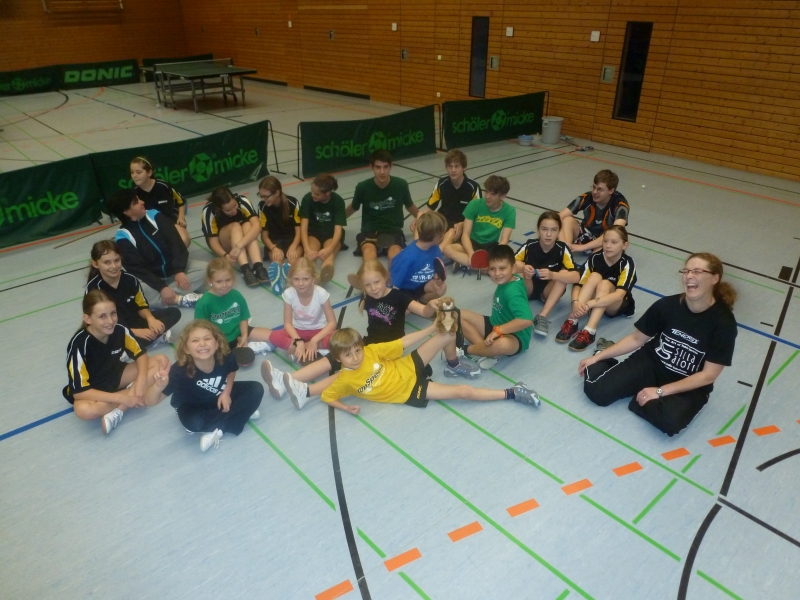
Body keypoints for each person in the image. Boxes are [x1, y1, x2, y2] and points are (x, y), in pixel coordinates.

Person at [261, 260, 473, 399]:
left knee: (348, 371)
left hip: (389, 352)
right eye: (368, 285)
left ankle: (305, 391)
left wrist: (432, 306)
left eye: (377, 282)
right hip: (369, 344)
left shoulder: (399, 296)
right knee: (334, 358)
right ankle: (286, 380)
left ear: (385, 278)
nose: (373, 288)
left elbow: (423, 311)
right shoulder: (368, 296)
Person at [579, 253, 737, 436]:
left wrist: (661, 391)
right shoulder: (667, 305)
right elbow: (637, 339)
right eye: (686, 271)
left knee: (669, 422)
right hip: (652, 363)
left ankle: (641, 396)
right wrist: (598, 357)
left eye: (697, 271)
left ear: (715, 278)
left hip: (689, 381)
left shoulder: (724, 324)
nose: (689, 276)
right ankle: (611, 365)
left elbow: (708, 375)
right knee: (598, 393)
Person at [281, 325, 540, 412]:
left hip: (406, 365)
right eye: (348, 355)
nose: (356, 357)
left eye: (358, 350)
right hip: (410, 390)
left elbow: (403, 343)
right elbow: (328, 396)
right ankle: (512, 392)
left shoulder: (371, 351)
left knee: (448, 333)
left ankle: (453, 364)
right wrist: (346, 408)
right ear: (338, 358)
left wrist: (432, 328)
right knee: (463, 392)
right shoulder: (344, 381)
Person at [147, 320, 264, 452]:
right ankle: (241, 412)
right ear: (186, 349)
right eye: (195, 340)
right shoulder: (179, 370)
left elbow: (231, 372)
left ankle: (219, 428)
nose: (202, 344)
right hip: (192, 406)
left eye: (207, 338)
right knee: (195, 424)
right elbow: (150, 401)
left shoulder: (226, 357)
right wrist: (158, 386)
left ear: (217, 343)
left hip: (219, 395)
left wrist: (226, 392)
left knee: (256, 389)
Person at [63, 290, 169, 435]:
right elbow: (79, 392)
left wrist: (141, 381)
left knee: (161, 361)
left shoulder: (120, 330)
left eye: (113, 313)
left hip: (117, 376)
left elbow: (141, 355)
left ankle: (120, 410)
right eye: (102, 316)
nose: (110, 321)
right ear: (88, 319)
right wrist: (122, 398)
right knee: (84, 411)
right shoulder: (79, 344)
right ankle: (128, 397)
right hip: (93, 389)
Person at [108, 189, 205, 308]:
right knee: (134, 290)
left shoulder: (155, 216)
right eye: (136, 202)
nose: (142, 202)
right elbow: (138, 269)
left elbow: (176, 243)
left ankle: (169, 298)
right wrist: (161, 287)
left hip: (176, 272)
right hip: (152, 281)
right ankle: (179, 298)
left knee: (207, 269)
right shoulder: (123, 237)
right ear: (126, 211)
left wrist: (179, 270)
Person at [85, 239, 181, 348]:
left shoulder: (130, 280)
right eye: (107, 262)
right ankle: (147, 338)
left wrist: (151, 319)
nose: (114, 266)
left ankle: (146, 339)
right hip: (113, 329)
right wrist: (134, 332)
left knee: (174, 313)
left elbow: (141, 305)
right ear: (95, 264)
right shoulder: (94, 288)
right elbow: (100, 323)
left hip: (135, 321)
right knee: (108, 340)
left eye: (117, 260)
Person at [556, 225, 637, 351]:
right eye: (605, 241)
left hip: (615, 305)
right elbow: (578, 284)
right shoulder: (595, 258)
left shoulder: (627, 263)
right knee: (594, 276)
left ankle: (590, 331)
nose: (608, 246)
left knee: (604, 284)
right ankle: (573, 320)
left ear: (624, 245)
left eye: (614, 242)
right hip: (595, 300)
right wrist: (575, 302)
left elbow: (619, 295)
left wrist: (590, 304)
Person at [456, 244, 534, 369]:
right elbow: (527, 292)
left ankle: (465, 349)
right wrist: (528, 277)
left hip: (515, 335)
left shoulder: (512, 292)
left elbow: (527, 320)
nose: (497, 273)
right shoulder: (515, 278)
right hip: (495, 323)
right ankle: (487, 351)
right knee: (456, 315)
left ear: (513, 268)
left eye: (502, 268)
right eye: (492, 269)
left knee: (502, 345)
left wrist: (499, 331)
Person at [193, 259, 274, 364]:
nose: (224, 285)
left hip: (237, 330)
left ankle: (244, 343)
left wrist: (244, 335)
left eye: (228, 280)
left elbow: (243, 318)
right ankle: (249, 347)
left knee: (273, 336)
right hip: (219, 338)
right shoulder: (203, 303)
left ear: (233, 278)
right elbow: (200, 329)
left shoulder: (236, 295)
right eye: (219, 282)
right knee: (220, 360)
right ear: (210, 281)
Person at [346, 149, 419, 267]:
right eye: (378, 167)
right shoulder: (362, 187)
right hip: (369, 231)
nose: (382, 172)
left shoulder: (401, 185)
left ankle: (392, 277)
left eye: (385, 167)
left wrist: (422, 219)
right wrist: (335, 222)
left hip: (393, 231)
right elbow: (353, 207)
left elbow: (410, 206)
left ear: (391, 166)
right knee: (369, 253)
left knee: (395, 256)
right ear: (371, 167)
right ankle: (369, 274)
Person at [514, 211, 580, 337]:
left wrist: (553, 275)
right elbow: (510, 264)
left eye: (554, 230)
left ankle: (542, 316)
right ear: (538, 230)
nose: (549, 234)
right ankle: (517, 310)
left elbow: (576, 276)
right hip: (528, 288)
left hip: (548, 292)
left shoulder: (562, 249)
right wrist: (523, 267)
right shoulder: (530, 245)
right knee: (519, 269)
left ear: (559, 231)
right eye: (544, 229)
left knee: (564, 274)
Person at [412, 149, 481, 256]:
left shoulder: (473, 187)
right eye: (450, 166)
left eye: (457, 166)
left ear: (464, 167)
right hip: (443, 221)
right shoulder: (441, 184)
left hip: (461, 224)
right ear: (446, 168)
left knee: (451, 232)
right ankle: (414, 249)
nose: (453, 170)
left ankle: (434, 256)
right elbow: (430, 208)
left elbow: (477, 215)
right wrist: (418, 220)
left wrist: (462, 224)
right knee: (420, 215)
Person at [267, 258, 337, 363]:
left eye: (305, 279)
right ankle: (312, 350)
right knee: (274, 336)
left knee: (337, 339)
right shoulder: (289, 294)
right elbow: (287, 324)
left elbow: (332, 323)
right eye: (296, 279)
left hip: (319, 331)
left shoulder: (321, 294)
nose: (300, 283)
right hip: (298, 331)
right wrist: (298, 341)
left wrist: (314, 340)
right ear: (290, 279)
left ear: (313, 278)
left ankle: (296, 351)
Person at [443, 175, 516, 272]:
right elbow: (465, 234)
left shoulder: (510, 211)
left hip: (491, 246)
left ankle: (464, 263)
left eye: (493, 194)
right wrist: (471, 254)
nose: (487, 196)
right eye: (486, 191)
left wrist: (495, 254)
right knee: (447, 249)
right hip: (472, 243)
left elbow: (504, 240)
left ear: (502, 196)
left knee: (509, 262)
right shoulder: (474, 204)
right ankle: (488, 269)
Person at [201, 186, 266, 287]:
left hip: (240, 244)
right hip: (224, 245)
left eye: (235, 205)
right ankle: (245, 269)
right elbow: (213, 242)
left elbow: (257, 226)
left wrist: (239, 246)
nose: (234, 211)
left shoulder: (242, 201)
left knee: (248, 225)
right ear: (219, 208)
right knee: (235, 226)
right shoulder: (209, 211)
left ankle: (258, 266)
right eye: (228, 210)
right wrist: (225, 256)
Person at [558, 169, 629, 254]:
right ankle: (565, 251)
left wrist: (582, 247)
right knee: (567, 220)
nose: (595, 192)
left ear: (611, 190)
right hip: (587, 234)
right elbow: (558, 217)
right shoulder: (587, 197)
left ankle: (594, 256)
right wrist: (563, 242)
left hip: (605, 239)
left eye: (600, 189)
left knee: (606, 248)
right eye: (594, 187)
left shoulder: (621, 205)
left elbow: (615, 233)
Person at [386, 211, 448, 303]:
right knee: (402, 308)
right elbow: (392, 283)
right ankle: (413, 305)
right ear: (438, 236)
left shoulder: (435, 249)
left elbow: (438, 268)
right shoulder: (407, 256)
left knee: (441, 288)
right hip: (406, 290)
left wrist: (437, 277)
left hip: (422, 286)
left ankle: (422, 301)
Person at [129, 156, 190, 247]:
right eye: (132, 172)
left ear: (149, 172)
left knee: (184, 240)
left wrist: (181, 218)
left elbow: (181, 202)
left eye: (138, 172)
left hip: (171, 222)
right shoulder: (134, 193)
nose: (134, 176)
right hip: (151, 227)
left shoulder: (163, 186)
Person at [257, 175, 302, 294]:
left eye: (266, 196)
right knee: (277, 262)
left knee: (292, 262)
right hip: (274, 242)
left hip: (293, 240)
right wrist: (273, 248)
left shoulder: (293, 203)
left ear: (277, 193)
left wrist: (293, 247)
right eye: (261, 196)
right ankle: (278, 281)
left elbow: (299, 231)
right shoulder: (262, 207)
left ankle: (289, 278)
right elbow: (264, 236)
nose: (263, 199)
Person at [299, 173, 347, 285]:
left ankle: (324, 277)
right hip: (313, 234)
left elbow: (338, 230)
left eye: (316, 194)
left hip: (331, 235)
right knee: (309, 257)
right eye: (312, 191)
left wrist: (330, 248)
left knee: (329, 256)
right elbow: (304, 226)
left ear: (327, 193)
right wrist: (307, 249)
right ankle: (311, 277)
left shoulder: (338, 201)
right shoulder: (307, 199)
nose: (312, 195)